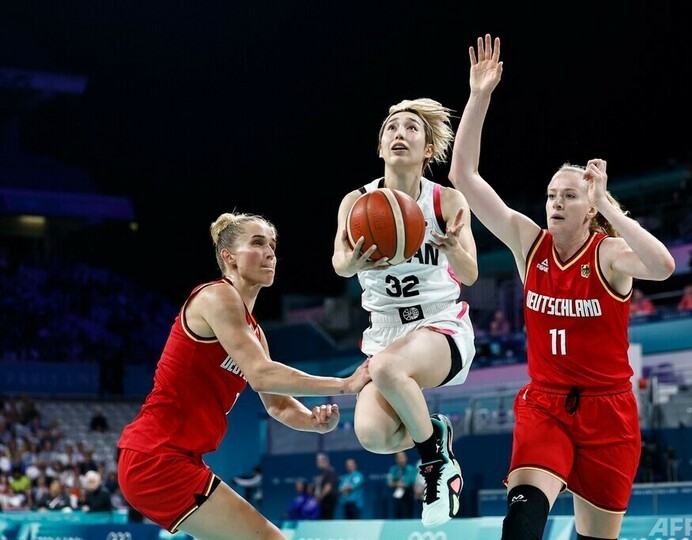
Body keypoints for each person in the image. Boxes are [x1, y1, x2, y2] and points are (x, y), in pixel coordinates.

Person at [448, 34, 676, 540]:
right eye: (552, 194)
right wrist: (479, 96)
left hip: (609, 412)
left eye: (569, 196)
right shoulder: (528, 243)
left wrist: (611, 206)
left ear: (590, 208)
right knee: (522, 521)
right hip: (546, 405)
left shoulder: (608, 254)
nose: (555, 202)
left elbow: (663, 266)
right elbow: (464, 175)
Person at [117, 212, 371, 539]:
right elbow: (262, 375)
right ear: (229, 257)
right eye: (258, 243)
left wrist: (313, 421)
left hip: (181, 458)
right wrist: (345, 385)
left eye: (273, 246)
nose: (270, 253)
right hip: (156, 455)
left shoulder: (256, 334)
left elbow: (278, 405)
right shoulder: (216, 296)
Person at [331, 96, 478, 527]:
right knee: (373, 435)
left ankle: (435, 464)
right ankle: (436, 433)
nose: (400, 133)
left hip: (440, 325)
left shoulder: (446, 201)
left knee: (386, 368)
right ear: (380, 147)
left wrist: (453, 248)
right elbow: (339, 263)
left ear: (427, 149)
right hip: (386, 332)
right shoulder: (357, 202)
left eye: (412, 128)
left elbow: (469, 273)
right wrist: (352, 262)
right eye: (391, 128)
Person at [387, 451, 418, 519]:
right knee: (397, 516)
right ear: (396, 459)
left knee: (408, 516)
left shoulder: (411, 469)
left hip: (408, 495)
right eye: (399, 458)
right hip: (396, 496)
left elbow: (412, 482)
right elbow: (389, 482)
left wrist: (403, 484)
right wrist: (398, 483)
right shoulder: (393, 469)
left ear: (406, 458)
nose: (401, 460)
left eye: (402, 457)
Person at [314, 452, 338, 520]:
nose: (317, 463)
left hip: (328, 500)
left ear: (325, 461)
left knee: (327, 518)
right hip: (323, 500)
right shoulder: (323, 473)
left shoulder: (330, 472)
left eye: (319, 461)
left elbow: (328, 487)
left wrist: (320, 497)